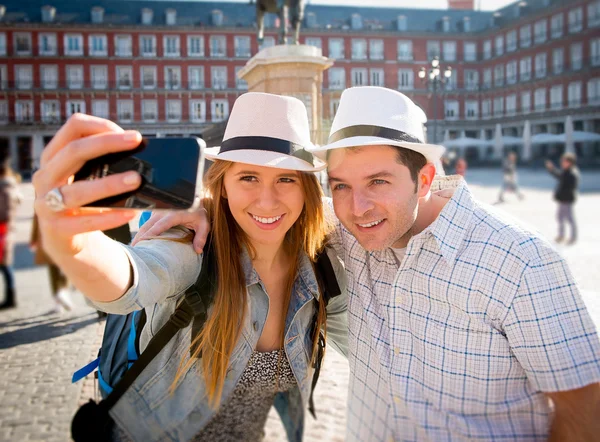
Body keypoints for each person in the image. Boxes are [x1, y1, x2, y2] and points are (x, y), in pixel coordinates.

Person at [145, 87, 600, 441]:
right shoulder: (349, 231)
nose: (357, 207)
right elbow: (273, 208)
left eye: (378, 181)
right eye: (340, 185)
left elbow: (585, 407)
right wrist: (207, 206)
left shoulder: (521, 263)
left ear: (424, 178)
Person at [32, 93, 348, 442]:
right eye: (248, 178)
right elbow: (136, 276)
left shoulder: (321, 266)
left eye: (286, 179)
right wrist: (76, 245)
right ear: (223, 185)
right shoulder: (193, 245)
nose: (267, 199)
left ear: (307, 189)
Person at [30, 214, 75, 313]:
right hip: (63, 235)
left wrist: (33, 239)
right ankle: (63, 292)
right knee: (65, 267)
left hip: (48, 236)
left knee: (53, 269)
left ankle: (58, 301)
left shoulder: (41, 198)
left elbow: (37, 219)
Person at [0, 162, 23, 310]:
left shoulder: (5, 187)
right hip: (5, 229)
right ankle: (10, 297)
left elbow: (7, 212)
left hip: (4, 230)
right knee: (4, 264)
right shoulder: (7, 186)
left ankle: (11, 297)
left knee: (5, 265)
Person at [546, 152, 579, 245]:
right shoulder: (566, 172)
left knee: (569, 218)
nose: (562, 163)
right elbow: (559, 176)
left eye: (564, 161)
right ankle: (561, 235)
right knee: (560, 217)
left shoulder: (571, 174)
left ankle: (572, 237)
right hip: (562, 200)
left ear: (569, 163)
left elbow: (569, 187)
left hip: (566, 200)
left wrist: (562, 195)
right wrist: (551, 169)